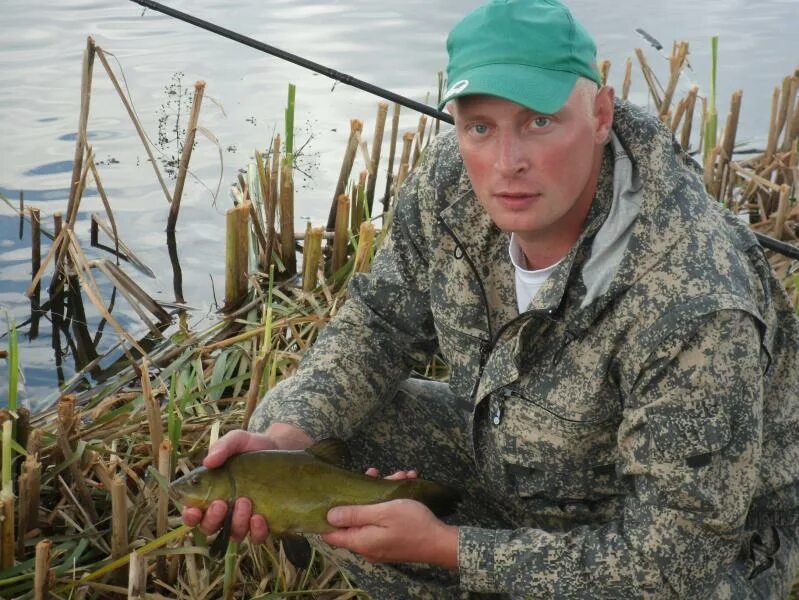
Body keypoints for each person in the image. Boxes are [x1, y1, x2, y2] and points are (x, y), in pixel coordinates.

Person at [183, 0, 799, 597]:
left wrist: (448, 548)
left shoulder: (695, 296)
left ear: (602, 115)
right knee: (291, 421)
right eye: (480, 126)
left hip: (703, 543)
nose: (507, 163)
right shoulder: (451, 179)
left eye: (539, 121)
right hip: (523, 459)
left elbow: (676, 556)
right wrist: (295, 439)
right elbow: (378, 326)